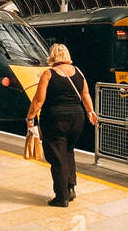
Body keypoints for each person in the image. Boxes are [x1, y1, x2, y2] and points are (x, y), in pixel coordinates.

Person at [25, 44, 97, 207]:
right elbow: (85, 94)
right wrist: (90, 111)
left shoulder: (48, 74)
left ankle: (61, 196)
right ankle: (71, 188)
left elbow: (39, 100)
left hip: (55, 119)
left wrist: (30, 117)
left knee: (57, 156)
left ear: (52, 56)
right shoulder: (78, 72)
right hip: (77, 118)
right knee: (68, 151)